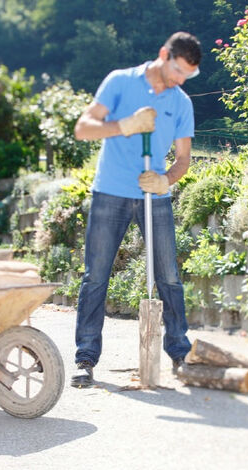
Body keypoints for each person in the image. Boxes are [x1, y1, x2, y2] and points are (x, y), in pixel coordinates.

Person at [71, 31, 202, 388]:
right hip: (110, 191)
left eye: (187, 76)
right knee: (96, 276)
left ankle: (179, 352)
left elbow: (183, 159)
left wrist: (166, 181)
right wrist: (125, 126)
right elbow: (83, 129)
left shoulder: (181, 102)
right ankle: (85, 358)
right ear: (163, 54)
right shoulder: (119, 82)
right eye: (177, 70)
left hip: (153, 196)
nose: (179, 79)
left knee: (169, 276)